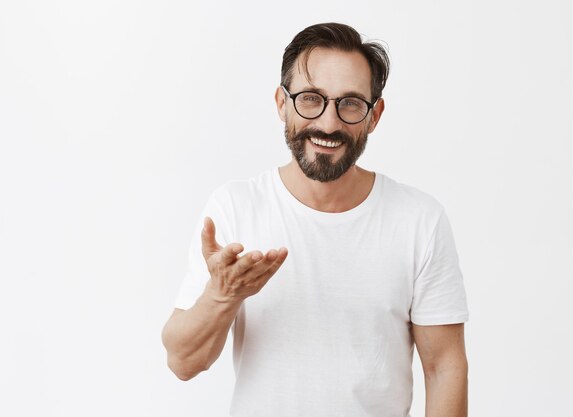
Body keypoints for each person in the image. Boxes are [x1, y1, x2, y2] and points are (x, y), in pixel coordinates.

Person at [162, 22, 469, 417]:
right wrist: (222, 295)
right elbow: (183, 362)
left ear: (374, 116)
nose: (328, 123)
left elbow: (444, 367)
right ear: (281, 102)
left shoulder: (419, 220)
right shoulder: (235, 207)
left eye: (351, 103)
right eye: (311, 99)